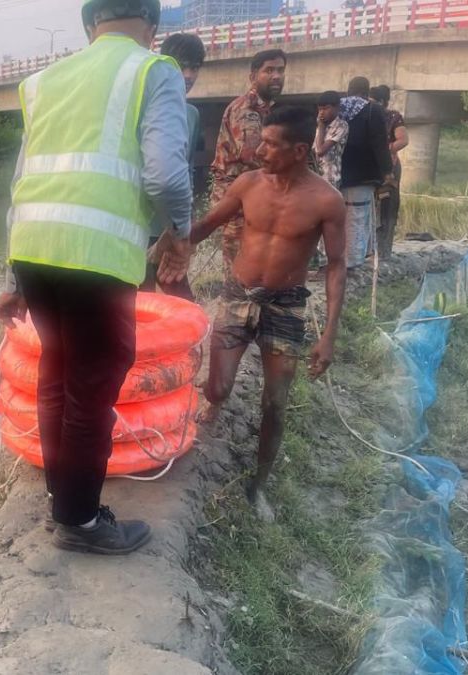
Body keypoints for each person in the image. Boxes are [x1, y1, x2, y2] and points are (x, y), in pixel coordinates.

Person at [0, 0, 195, 555]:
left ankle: (66, 496)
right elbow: (163, 172)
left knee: (57, 375)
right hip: (97, 256)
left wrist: (12, 273)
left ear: (90, 26)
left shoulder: (41, 81)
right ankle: (80, 522)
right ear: (153, 27)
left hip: (34, 251)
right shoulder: (154, 70)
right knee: (90, 387)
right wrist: (180, 230)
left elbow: (22, 180)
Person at [166, 106, 347, 520]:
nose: (259, 149)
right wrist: (169, 248)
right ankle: (213, 405)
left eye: (269, 144)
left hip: (285, 309)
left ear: (299, 150)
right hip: (237, 297)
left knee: (275, 404)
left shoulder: (326, 200)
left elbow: (336, 265)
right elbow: (205, 225)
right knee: (217, 388)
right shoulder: (248, 184)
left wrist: (329, 334)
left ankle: (259, 484)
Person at [210, 48, 287, 274]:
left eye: (280, 71)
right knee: (239, 274)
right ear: (253, 77)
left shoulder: (264, 110)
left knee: (254, 269)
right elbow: (253, 155)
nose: (276, 76)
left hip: (251, 200)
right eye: (269, 70)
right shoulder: (247, 109)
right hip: (236, 203)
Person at [141, 31, 206, 300]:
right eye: (182, 65)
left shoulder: (191, 115)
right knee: (138, 304)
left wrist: (184, 225)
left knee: (184, 303)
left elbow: (186, 170)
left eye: (195, 67)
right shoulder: (144, 106)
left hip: (171, 229)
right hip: (139, 229)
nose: (188, 75)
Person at [338, 76, 394, 268]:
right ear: (366, 92)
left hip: (334, 172)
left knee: (336, 216)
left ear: (348, 90)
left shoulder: (335, 107)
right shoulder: (373, 109)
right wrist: (387, 170)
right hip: (362, 173)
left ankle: (332, 258)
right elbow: (380, 143)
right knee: (357, 215)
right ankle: (352, 260)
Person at [370, 84, 408, 258]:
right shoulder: (367, 115)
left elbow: (403, 140)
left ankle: (384, 250)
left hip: (389, 168)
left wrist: (384, 149)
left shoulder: (393, 117)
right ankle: (369, 250)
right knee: (369, 207)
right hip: (370, 167)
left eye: (373, 101)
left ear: (383, 102)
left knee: (388, 206)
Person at [314, 91, 348, 191]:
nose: (321, 112)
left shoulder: (341, 125)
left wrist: (321, 127)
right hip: (317, 176)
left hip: (331, 178)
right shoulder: (322, 125)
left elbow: (320, 151)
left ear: (337, 108)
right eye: (319, 109)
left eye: (326, 108)